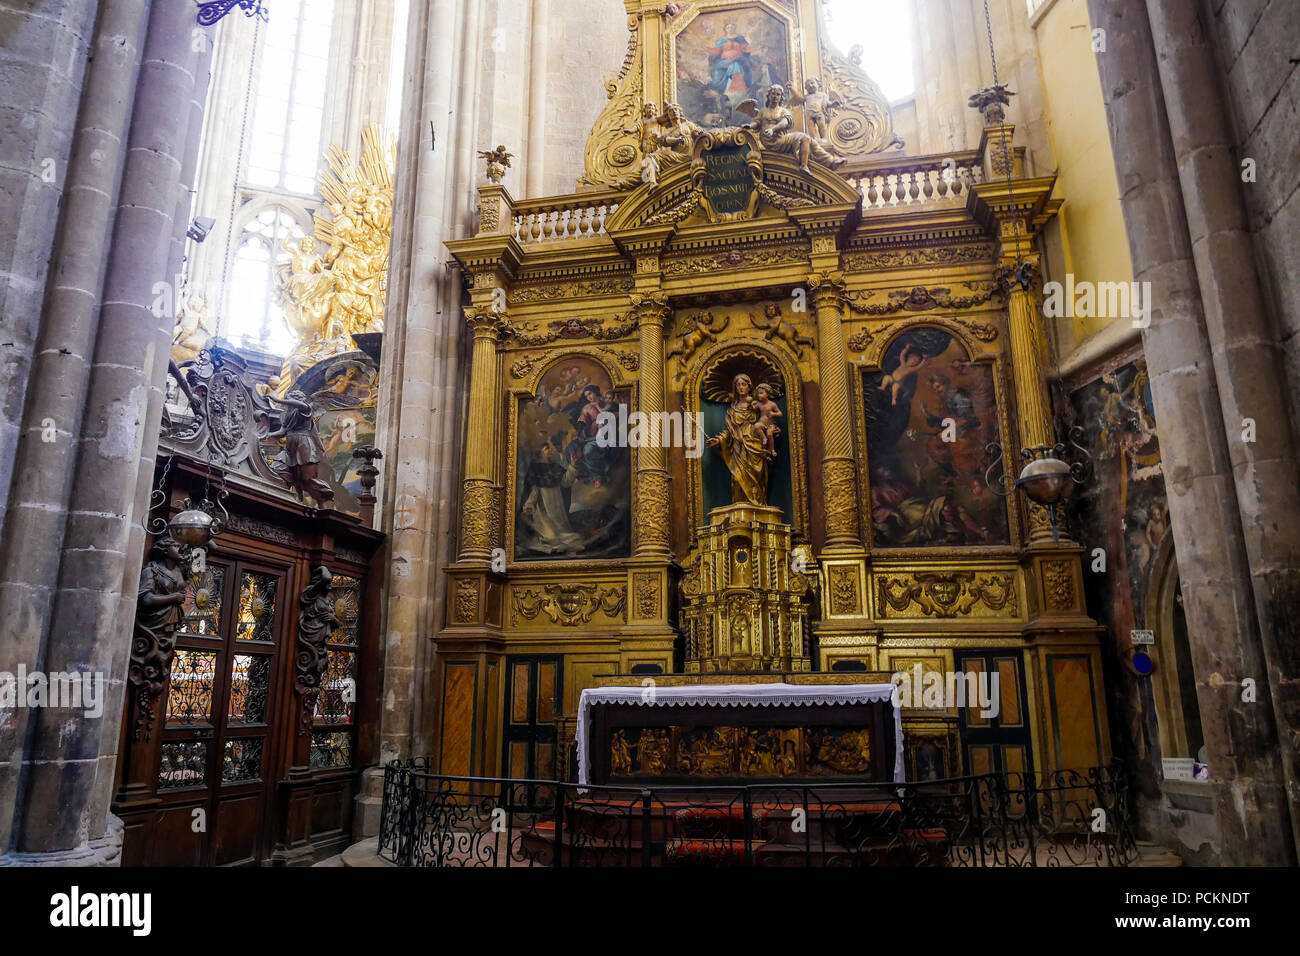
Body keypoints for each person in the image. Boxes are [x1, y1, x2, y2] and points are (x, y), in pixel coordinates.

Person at [707, 373, 770, 505]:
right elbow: (728, 432)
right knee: (737, 479)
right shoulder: (732, 411)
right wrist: (718, 440)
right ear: (735, 388)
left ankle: (757, 507)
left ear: (749, 387)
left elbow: (767, 419)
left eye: (743, 384)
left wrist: (772, 429)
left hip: (754, 446)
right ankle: (740, 510)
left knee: (757, 480)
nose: (741, 387)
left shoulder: (756, 406)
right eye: (738, 385)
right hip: (738, 448)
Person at [750, 382, 783, 459]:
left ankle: (772, 449)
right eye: (758, 393)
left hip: (771, 424)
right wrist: (751, 405)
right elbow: (754, 409)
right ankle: (763, 438)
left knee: (769, 434)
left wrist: (773, 414)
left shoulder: (772, 404)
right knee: (756, 426)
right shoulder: (759, 403)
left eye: (761, 393)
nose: (759, 395)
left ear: (767, 394)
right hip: (762, 423)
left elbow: (780, 414)